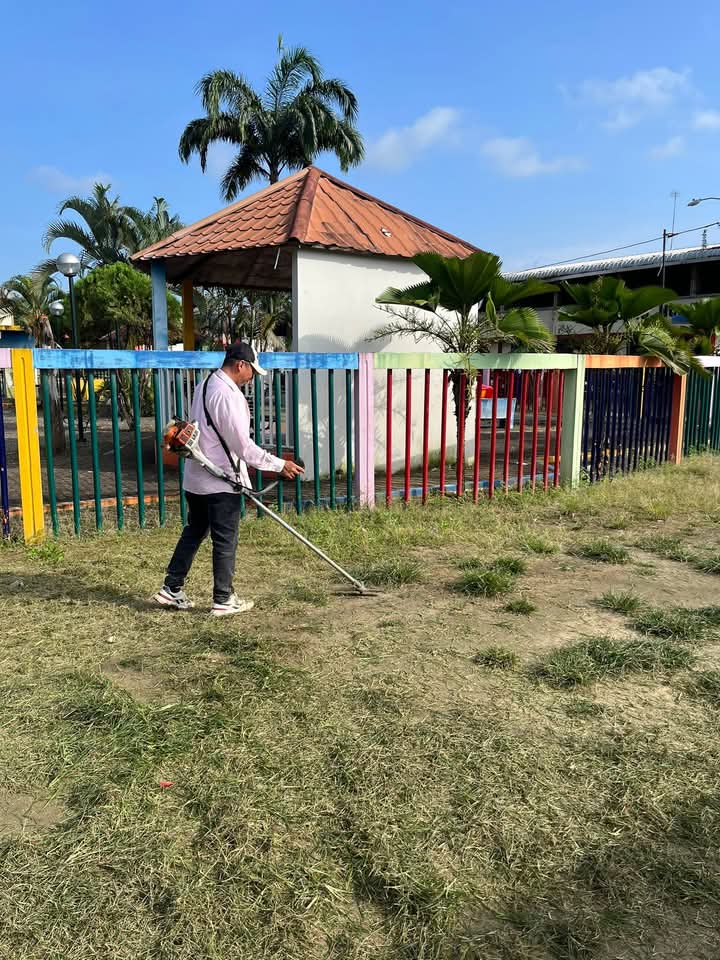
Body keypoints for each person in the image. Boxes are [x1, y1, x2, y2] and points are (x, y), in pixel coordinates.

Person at [153, 341, 304, 616]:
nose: (253, 377)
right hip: (220, 481)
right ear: (240, 365)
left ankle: (171, 588)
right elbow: (243, 447)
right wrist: (280, 464)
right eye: (252, 371)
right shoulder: (229, 395)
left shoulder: (205, 384)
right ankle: (223, 598)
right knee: (225, 540)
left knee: (194, 531)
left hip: (196, 479)